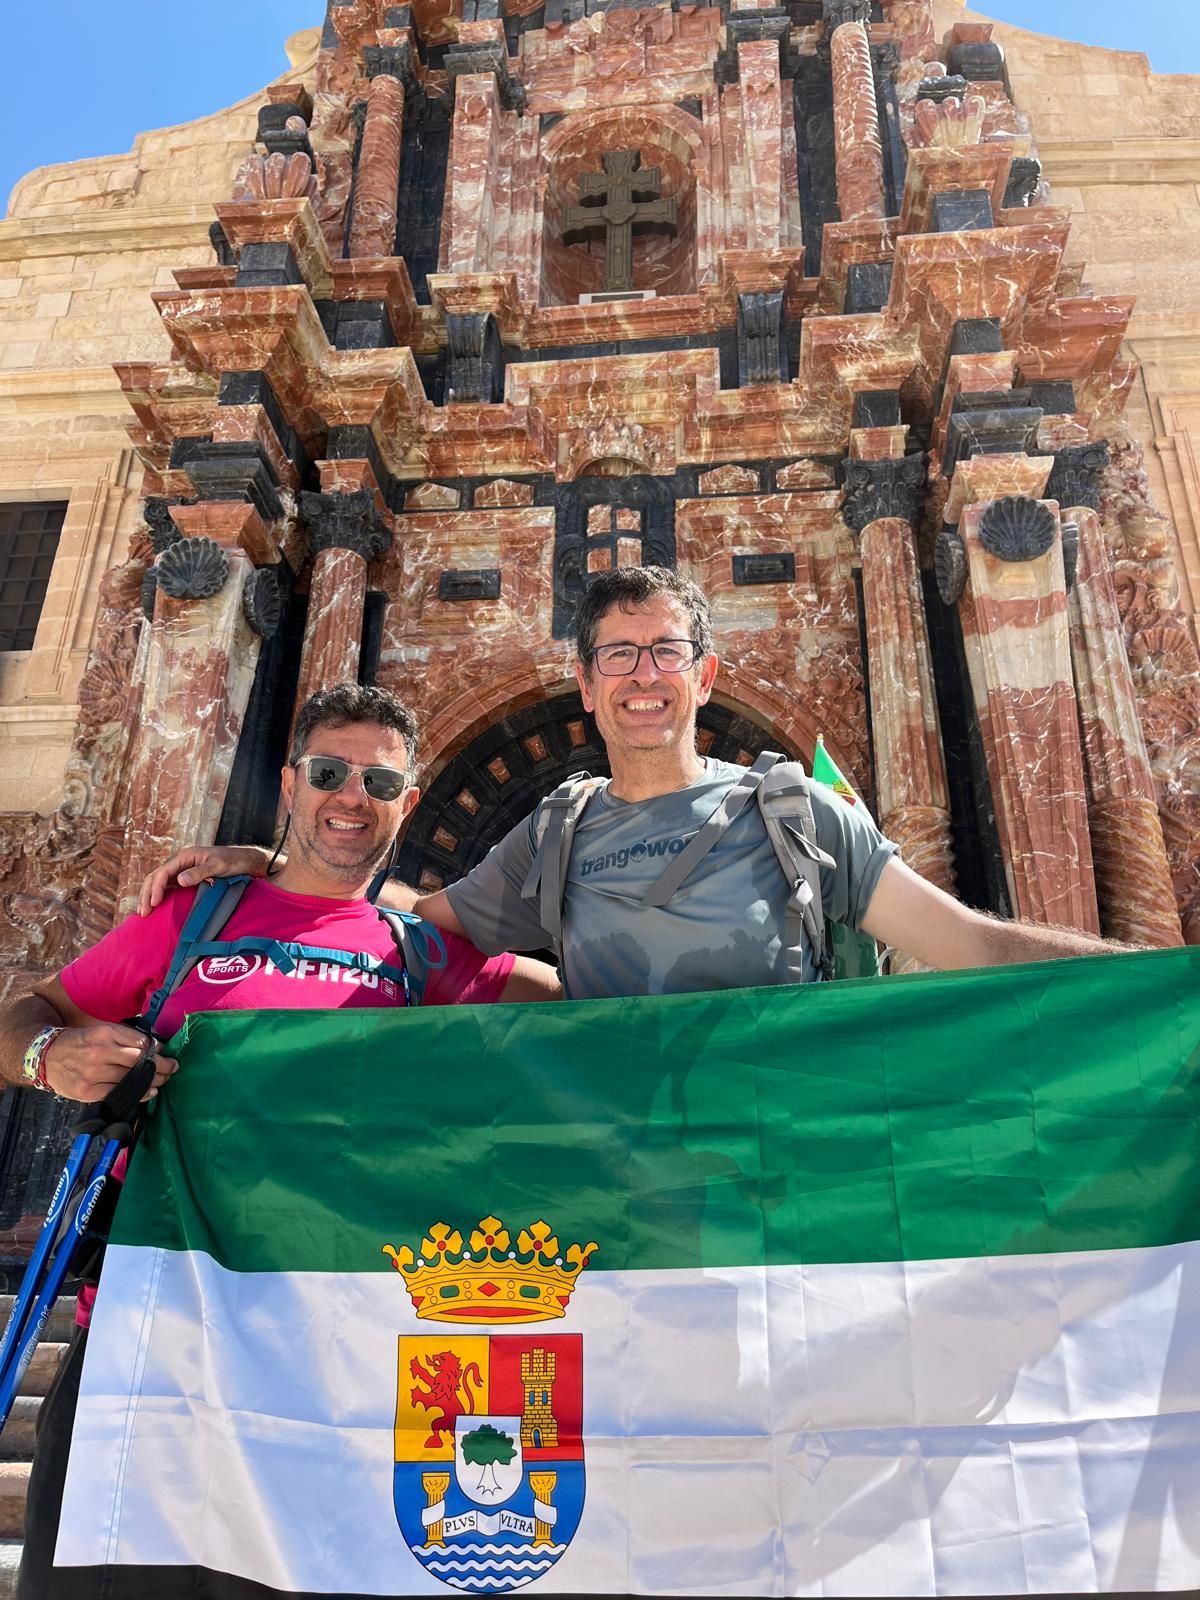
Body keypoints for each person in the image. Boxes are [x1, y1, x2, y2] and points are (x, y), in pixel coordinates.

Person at [0, 683, 558, 1599]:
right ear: (292, 781)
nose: (351, 797)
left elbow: (580, 1008)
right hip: (152, 1345)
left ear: (408, 804)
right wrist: (47, 1053)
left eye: (379, 781)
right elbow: (28, 1014)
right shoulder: (192, 919)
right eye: (330, 773)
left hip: (332, 1364)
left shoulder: (419, 953)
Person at [147, 568, 1124, 996]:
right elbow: (410, 916)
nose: (643, 676)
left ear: (704, 675)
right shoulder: (556, 829)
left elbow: (970, 942)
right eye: (617, 656)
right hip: (615, 1196)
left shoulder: (794, 812)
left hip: (770, 1174)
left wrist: (1155, 983)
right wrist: (281, 865)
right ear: (585, 685)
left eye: (665, 651)